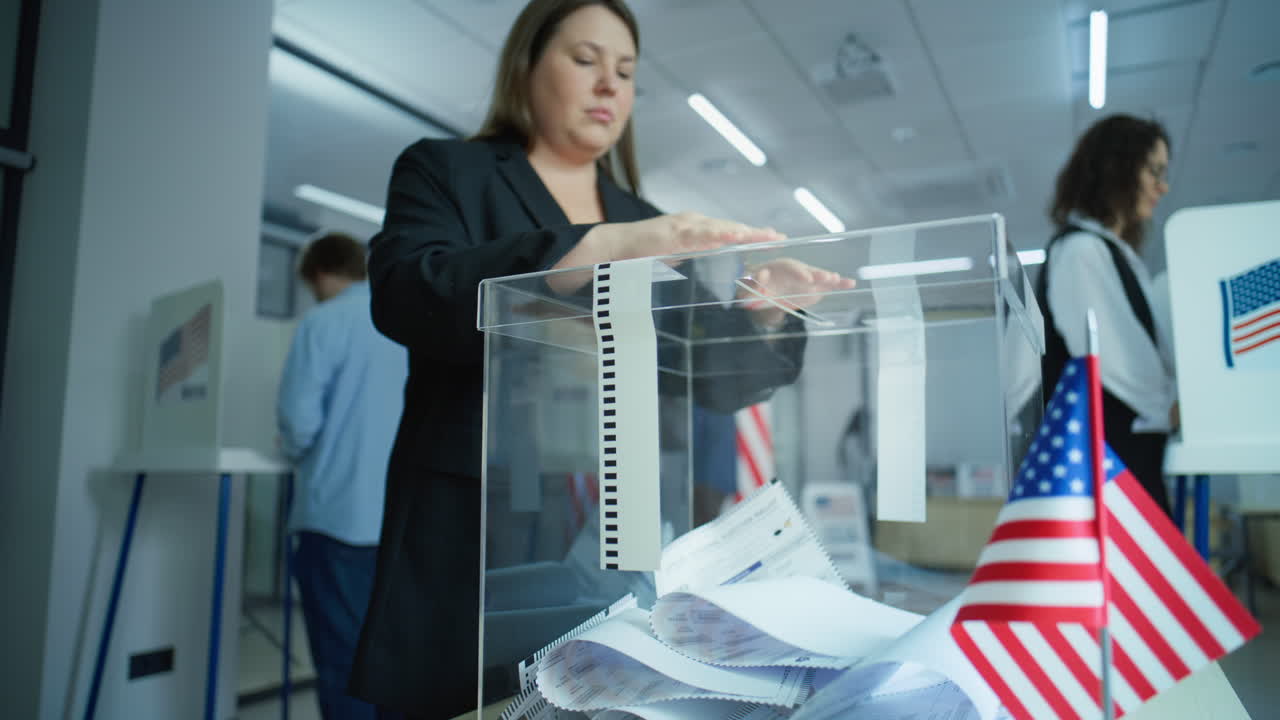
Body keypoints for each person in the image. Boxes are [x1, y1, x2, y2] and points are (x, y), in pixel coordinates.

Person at [349, 0, 849, 716]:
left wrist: (766, 314)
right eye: (585, 60)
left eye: (625, 72)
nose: (610, 86)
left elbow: (712, 379)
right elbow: (408, 293)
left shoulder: (643, 218)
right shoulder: (448, 172)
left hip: (608, 536)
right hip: (470, 532)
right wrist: (597, 247)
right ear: (526, 67)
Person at [277, 232, 408, 720]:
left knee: (342, 661)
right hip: (397, 522)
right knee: (391, 661)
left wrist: (290, 446)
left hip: (337, 519)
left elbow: (298, 421)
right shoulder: (401, 325)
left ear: (321, 274)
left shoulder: (323, 322)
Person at [1036, 114, 1176, 515]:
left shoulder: (1111, 253)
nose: (1161, 187)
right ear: (1118, 167)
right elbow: (1117, 364)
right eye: (1153, 171)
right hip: (1112, 460)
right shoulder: (1082, 251)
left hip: (1125, 454)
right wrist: (1172, 406)